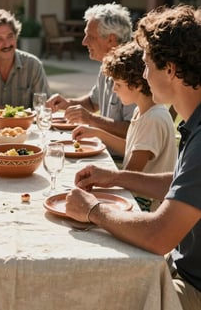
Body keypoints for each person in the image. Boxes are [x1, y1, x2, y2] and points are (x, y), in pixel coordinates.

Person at [65, 4, 201, 309]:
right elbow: (181, 184)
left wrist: (94, 211)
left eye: (147, 64)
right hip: (179, 265)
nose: (143, 74)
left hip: (191, 286)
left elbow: (158, 235)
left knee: (90, 295)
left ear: (171, 69)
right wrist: (115, 176)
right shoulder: (194, 123)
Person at [72, 41, 177, 211]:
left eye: (118, 84)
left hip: (145, 206)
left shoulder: (153, 119)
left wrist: (101, 179)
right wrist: (99, 134)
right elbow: (132, 149)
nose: (114, 90)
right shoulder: (142, 112)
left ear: (136, 84)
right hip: (138, 197)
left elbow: (130, 173)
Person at [46, 3, 135, 138]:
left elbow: (133, 130)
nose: (84, 42)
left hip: (120, 157)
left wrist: (91, 119)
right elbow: (92, 103)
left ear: (111, 39)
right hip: (106, 150)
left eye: (90, 37)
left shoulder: (133, 73)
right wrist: (67, 103)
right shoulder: (107, 66)